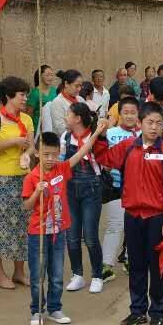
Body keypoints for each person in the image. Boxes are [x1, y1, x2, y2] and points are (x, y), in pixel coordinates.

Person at [96, 102, 163, 325]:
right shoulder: (127, 147)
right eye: (150, 122)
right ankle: (137, 310)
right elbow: (104, 157)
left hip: (157, 217)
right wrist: (101, 135)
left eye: (158, 123)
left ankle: (157, 312)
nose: (154, 127)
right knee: (137, 265)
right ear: (140, 123)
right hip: (133, 214)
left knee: (157, 266)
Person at [23, 121, 106, 325]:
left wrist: (95, 133)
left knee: (58, 274)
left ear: (59, 152)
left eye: (54, 154)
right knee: (37, 275)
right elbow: (26, 206)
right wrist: (37, 192)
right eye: (45, 154)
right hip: (38, 233)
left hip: (58, 231)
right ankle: (36, 311)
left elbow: (81, 152)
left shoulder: (62, 169)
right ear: (37, 154)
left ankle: (55, 308)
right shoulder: (32, 176)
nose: (50, 159)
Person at [0, 76, 34, 290]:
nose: (25, 98)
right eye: (22, 95)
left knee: (22, 225)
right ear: (9, 96)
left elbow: (31, 145)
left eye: (25, 94)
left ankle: (19, 272)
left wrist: (27, 154)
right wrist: (14, 141)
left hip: (22, 177)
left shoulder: (27, 119)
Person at [60, 102, 108, 294]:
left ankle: (97, 275)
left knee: (90, 236)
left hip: (92, 188)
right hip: (70, 189)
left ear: (77, 118)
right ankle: (77, 274)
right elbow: (63, 163)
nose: (65, 118)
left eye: (68, 114)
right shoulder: (65, 137)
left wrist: (103, 130)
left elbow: (104, 160)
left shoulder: (95, 136)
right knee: (71, 236)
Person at [101, 96, 140, 278]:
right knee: (114, 225)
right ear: (119, 114)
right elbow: (102, 158)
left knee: (134, 227)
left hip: (138, 189)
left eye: (133, 113)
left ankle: (130, 259)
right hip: (114, 187)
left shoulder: (143, 135)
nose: (130, 116)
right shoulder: (109, 134)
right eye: (126, 113)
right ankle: (106, 265)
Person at [27, 64, 56, 132]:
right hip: (38, 127)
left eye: (52, 75)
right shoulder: (35, 93)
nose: (50, 77)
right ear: (40, 76)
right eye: (47, 75)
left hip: (52, 126)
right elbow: (29, 114)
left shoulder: (54, 90)